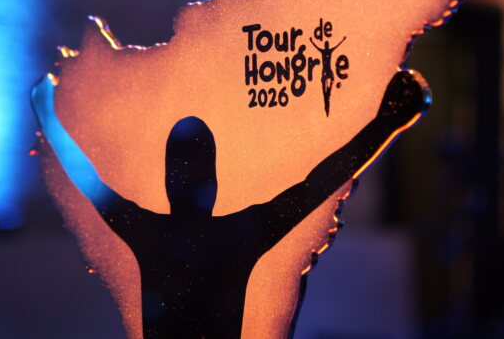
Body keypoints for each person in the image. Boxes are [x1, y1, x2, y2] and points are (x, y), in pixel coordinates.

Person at [31, 70, 429, 339]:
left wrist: (49, 116)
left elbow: (319, 183)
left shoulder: (162, 229)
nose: (185, 180)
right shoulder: (237, 230)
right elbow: (318, 183)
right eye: (181, 168)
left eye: (192, 168)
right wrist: (385, 123)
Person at [309, 36, 346, 116]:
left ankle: (328, 95)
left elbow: (337, 46)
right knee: (324, 90)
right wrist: (311, 41)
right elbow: (316, 47)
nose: (326, 46)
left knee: (328, 88)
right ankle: (327, 102)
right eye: (326, 45)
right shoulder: (326, 51)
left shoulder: (327, 51)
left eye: (326, 45)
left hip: (327, 71)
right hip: (325, 72)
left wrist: (343, 40)